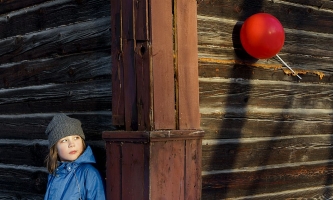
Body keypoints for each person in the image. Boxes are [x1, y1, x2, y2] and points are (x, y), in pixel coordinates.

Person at [44, 113, 106, 200]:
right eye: (64, 140)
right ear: (55, 148)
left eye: (76, 138)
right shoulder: (54, 173)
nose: (72, 144)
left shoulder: (89, 173)